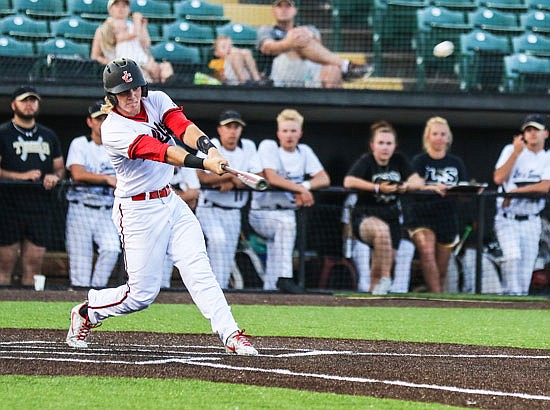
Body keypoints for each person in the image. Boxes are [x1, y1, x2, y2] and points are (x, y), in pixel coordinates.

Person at [66, 58, 258, 356]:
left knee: (199, 269)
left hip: (170, 201)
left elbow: (183, 127)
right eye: (123, 92)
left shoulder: (155, 99)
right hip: (137, 211)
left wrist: (211, 148)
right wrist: (203, 163)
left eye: (135, 89)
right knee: (141, 295)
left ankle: (231, 334)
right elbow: (161, 152)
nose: (132, 96)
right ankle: (87, 312)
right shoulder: (113, 129)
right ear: (111, 97)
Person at [249, 109, 330, 293]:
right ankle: (285, 277)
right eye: (285, 131)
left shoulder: (304, 152)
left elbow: (324, 178)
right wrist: (300, 189)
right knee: (285, 225)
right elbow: (272, 177)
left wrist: (307, 186)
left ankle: (270, 290)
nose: (289, 135)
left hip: (286, 211)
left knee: (279, 241)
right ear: (278, 133)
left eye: (293, 131)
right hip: (262, 213)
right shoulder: (269, 147)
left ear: (300, 133)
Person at [344, 121, 424, 295]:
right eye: (380, 143)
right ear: (372, 145)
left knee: (378, 268)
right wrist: (378, 188)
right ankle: (387, 278)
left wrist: (405, 186)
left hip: (392, 217)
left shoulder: (399, 160)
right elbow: (348, 181)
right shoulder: (366, 161)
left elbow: (418, 181)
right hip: (365, 217)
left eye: (389, 143)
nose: (385, 148)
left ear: (395, 146)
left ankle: (374, 301)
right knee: (381, 230)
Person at [0, 86, 65, 287]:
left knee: (34, 263)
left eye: (33, 100)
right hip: (9, 206)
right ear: (14, 105)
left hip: (40, 206)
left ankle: (29, 304)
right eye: (24, 100)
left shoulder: (48, 135)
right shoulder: (3, 133)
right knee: (5, 263)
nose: (29, 105)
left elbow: (60, 168)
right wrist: (21, 176)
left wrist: (54, 177)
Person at [195, 110, 263, 289]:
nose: (232, 131)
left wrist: (233, 182)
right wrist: (229, 178)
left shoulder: (247, 147)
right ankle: (209, 290)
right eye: (228, 127)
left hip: (234, 211)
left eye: (236, 127)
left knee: (227, 254)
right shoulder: (210, 145)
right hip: (210, 207)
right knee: (218, 241)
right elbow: (201, 177)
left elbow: (260, 179)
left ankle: (220, 291)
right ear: (220, 129)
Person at [407, 116, 468, 293]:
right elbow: (411, 185)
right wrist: (432, 188)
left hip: (447, 217)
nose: (439, 138)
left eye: (443, 134)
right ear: (428, 137)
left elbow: (464, 189)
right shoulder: (419, 161)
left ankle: (434, 297)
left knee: (441, 269)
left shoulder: (456, 163)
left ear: (448, 137)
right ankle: (437, 298)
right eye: (435, 134)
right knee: (427, 252)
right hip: (422, 215)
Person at [65, 101, 120, 289]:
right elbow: (77, 173)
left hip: (106, 209)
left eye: (106, 118)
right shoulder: (80, 143)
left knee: (112, 248)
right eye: (99, 119)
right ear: (90, 122)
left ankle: (96, 294)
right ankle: (80, 304)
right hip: (81, 208)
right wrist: (106, 179)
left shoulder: (117, 147)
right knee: (80, 264)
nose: (103, 122)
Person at [493, 113, 550, 295]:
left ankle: (518, 302)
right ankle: (510, 299)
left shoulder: (547, 157)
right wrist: (516, 153)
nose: (532, 134)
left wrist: (515, 192)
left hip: (531, 219)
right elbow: (499, 177)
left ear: (546, 134)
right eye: (528, 130)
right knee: (512, 258)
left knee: (526, 268)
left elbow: (544, 186)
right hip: (507, 217)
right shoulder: (511, 150)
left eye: (536, 130)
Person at [256, 0, 372, 88]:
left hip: (309, 73)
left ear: (295, 10)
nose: (284, 9)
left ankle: (332, 112)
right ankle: (346, 66)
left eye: (288, 6)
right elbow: (267, 47)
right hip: (281, 75)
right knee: (297, 43)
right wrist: (289, 42)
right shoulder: (266, 30)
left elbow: (318, 48)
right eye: (279, 6)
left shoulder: (309, 29)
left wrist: (305, 35)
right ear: (273, 11)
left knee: (333, 68)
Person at [342, 194, 416, 293]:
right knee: (362, 248)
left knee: (407, 246)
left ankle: (399, 289)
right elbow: (347, 229)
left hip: (386, 240)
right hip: (360, 240)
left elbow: (399, 227)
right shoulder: (354, 198)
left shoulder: (394, 198)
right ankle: (365, 284)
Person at [91, 0, 173, 84]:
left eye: (124, 6)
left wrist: (143, 26)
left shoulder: (133, 26)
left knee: (166, 68)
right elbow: (95, 56)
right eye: (117, 6)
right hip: (124, 68)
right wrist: (113, 64)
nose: (121, 9)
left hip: (143, 64)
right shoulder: (104, 29)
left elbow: (146, 44)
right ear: (110, 9)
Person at [161, 166, 201, 289]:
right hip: (159, 218)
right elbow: (161, 198)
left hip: (180, 220)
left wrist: (174, 196)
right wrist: (185, 196)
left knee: (190, 256)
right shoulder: (159, 169)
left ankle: (166, 291)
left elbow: (194, 196)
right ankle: (160, 291)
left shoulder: (185, 169)